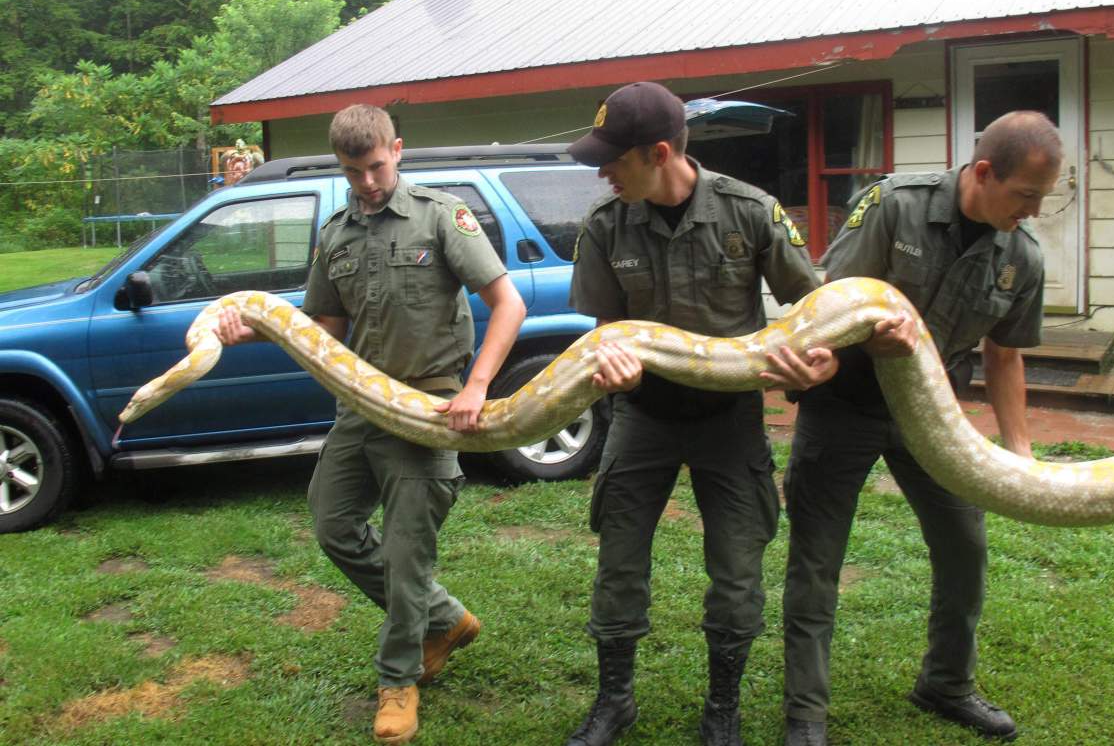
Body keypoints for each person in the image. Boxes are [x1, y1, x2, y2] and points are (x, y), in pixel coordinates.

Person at [214, 104, 526, 744]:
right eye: (353, 172)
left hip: (431, 405)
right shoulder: (335, 235)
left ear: (398, 150)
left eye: (376, 167)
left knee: (408, 557)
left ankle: (398, 680)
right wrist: (252, 331)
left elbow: (507, 302)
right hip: (360, 406)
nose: (367, 183)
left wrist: (476, 386)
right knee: (333, 525)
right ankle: (445, 619)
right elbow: (323, 327)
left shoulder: (441, 216)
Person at [769, 111, 1062, 746]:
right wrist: (868, 334)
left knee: (966, 547)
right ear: (984, 173)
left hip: (934, 412)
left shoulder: (1022, 255)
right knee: (817, 560)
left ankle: (947, 684)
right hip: (845, 401)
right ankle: (806, 717)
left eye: (1043, 198)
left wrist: (1020, 452)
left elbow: (1005, 355)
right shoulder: (894, 205)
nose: (1034, 211)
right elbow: (832, 299)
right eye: (1026, 195)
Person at [564, 81, 838, 746]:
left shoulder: (751, 212)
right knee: (619, 563)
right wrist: (611, 367)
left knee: (737, 570)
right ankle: (614, 700)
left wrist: (823, 361)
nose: (601, 172)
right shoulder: (605, 226)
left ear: (660, 152)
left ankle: (723, 709)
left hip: (729, 419)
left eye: (613, 158)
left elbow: (818, 311)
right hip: (643, 415)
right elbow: (608, 330)